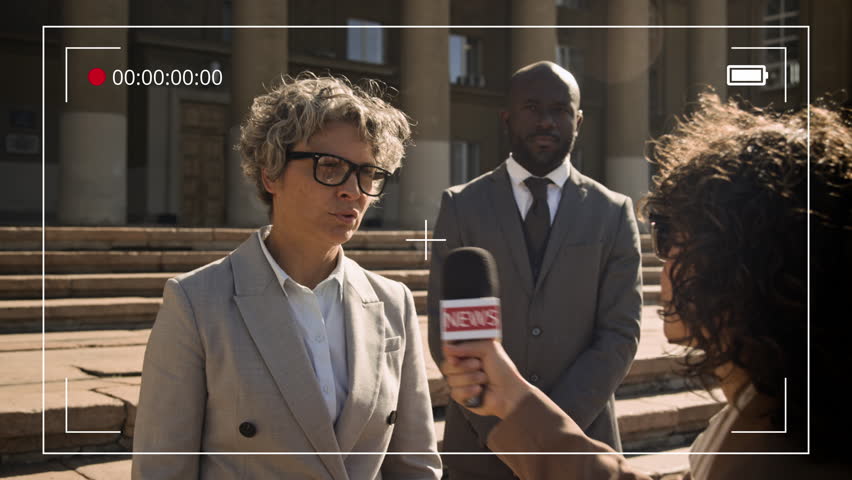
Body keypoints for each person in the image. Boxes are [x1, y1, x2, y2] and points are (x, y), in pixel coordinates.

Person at [440, 94, 852, 479]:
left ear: (750, 260)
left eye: (671, 234)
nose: (664, 256)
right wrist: (513, 399)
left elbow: (619, 333)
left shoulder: (782, 452)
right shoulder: (778, 405)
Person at [132, 73, 442, 480]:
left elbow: (415, 466)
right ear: (271, 174)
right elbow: (163, 470)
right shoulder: (196, 302)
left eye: (369, 172)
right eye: (330, 167)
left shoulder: (393, 301)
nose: (353, 190)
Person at [427, 61, 643, 479]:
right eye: (531, 107)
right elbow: (446, 329)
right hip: (479, 446)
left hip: (583, 442)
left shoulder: (613, 212)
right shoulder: (461, 205)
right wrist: (499, 427)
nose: (546, 121)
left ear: (579, 121)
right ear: (507, 117)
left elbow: (620, 332)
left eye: (561, 110)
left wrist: (550, 428)